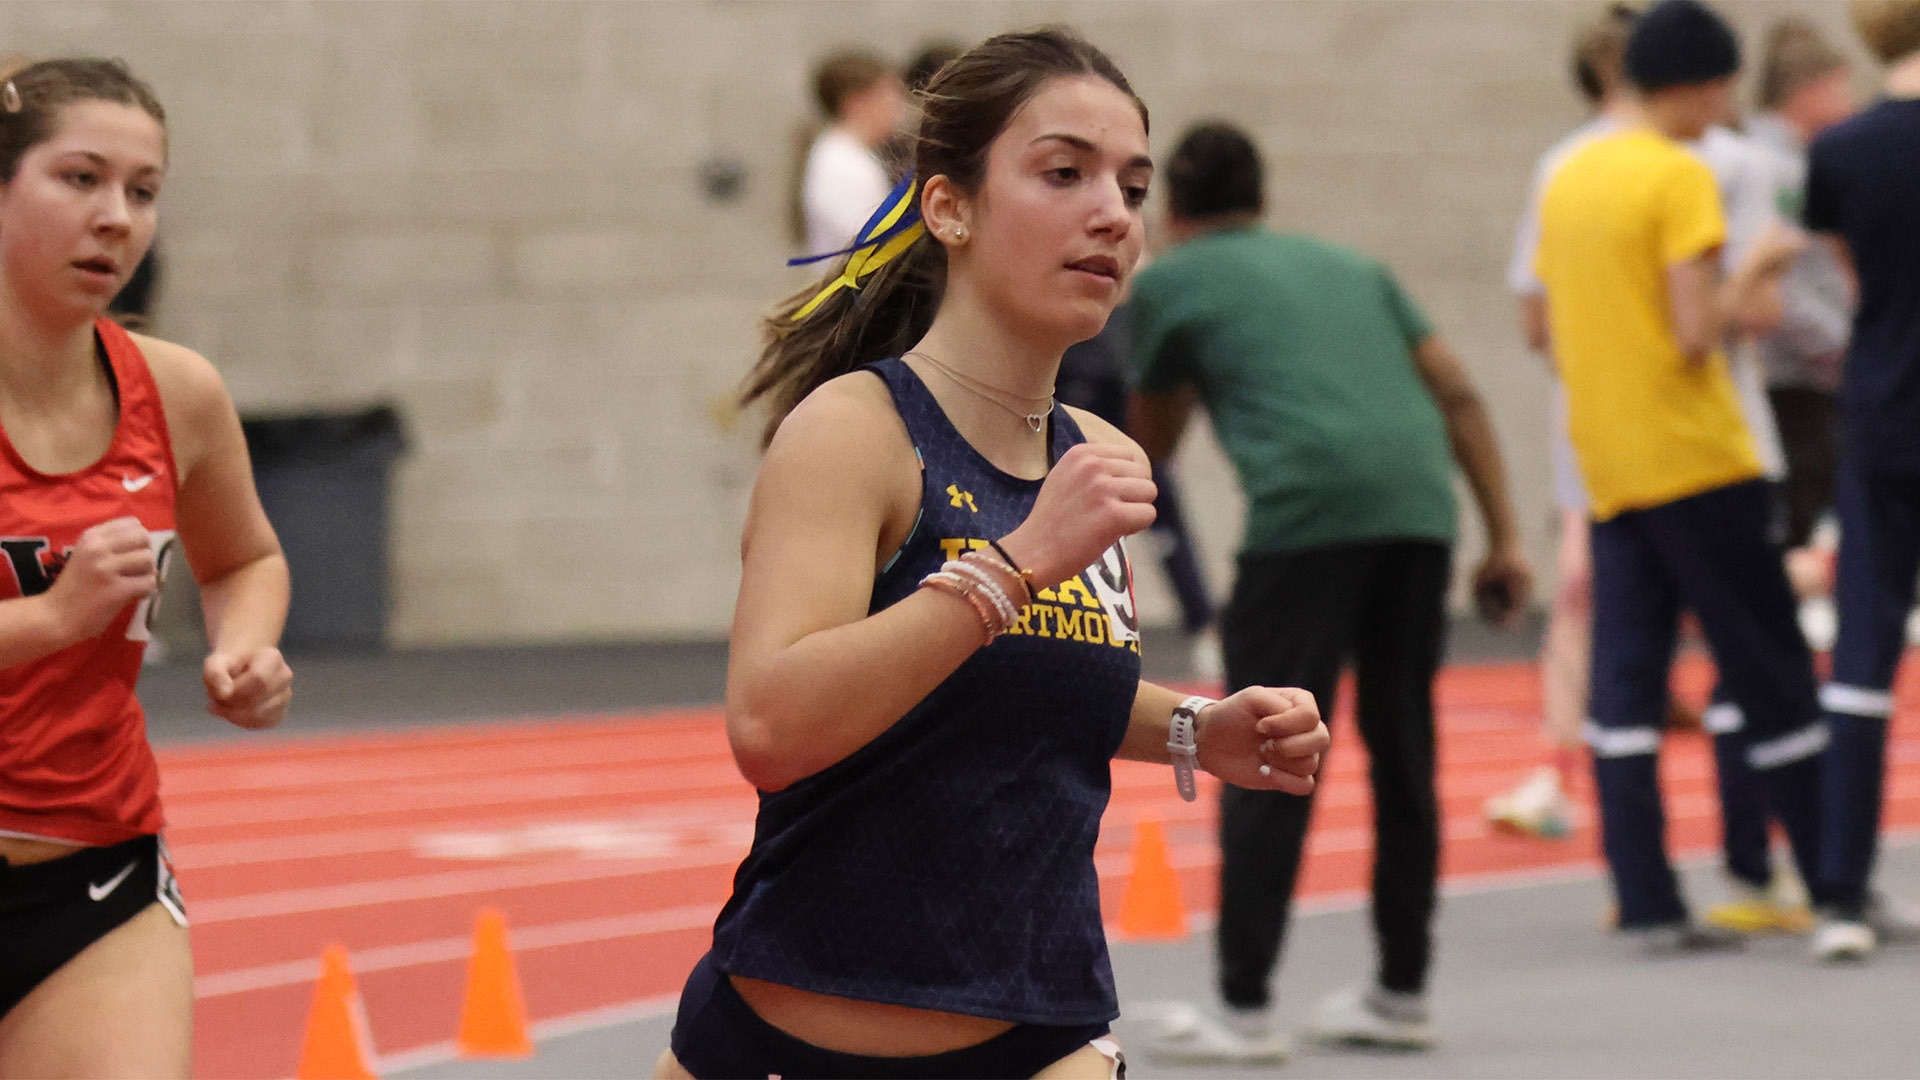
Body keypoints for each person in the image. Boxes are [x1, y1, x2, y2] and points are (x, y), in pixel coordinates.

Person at [656, 29, 1330, 1080]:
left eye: (1133, 184)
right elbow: (773, 724)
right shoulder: (858, 431)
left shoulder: (1099, 453)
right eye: (1063, 173)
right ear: (949, 206)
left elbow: (1031, 687)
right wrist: (1011, 568)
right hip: (809, 1033)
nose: (1112, 211)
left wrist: (1200, 730)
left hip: (1040, 1022)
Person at [1127, 121, 1531, 1062]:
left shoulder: (1169, 284)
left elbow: (1145, 453)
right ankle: (1400, 994)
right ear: (1261, 197)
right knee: (1404, 751)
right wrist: (1505, 537)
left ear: (1172, 208)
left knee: (1265, 743)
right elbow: (1461, 394)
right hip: (1420, 514)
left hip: (1306, 521)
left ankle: (1243, 1008)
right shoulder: (1357, 268)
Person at [0, 58, 293, 1074]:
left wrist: (245, 651)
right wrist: (49, 619)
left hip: (92, 876)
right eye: (78, 179)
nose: (115, 217)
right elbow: (61, 617)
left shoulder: (176, 391)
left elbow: (245, 557)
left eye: (142, 190)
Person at [1533, 0, 1831, 955]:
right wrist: (1763, 269)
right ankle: (1834, 882)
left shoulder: (1568, 180)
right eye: (1725, 86)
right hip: (1701, 459)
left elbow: (1545, 328)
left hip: (1610, 466)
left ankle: (1648, 895)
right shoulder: (1681, 176)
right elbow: (1698, 332)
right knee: (1770, 671)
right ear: (1700, 83)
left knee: (1626, 689)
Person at [1487, 2, 1641, 843]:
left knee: (1615, 589)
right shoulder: (1570, 168)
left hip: (1660, 417)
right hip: (1599, 415)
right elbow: (1536, 320)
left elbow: (1536, 321)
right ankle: (1562, 768)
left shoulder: (1690, 158)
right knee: (1588, 588)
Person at [1799, 0, 1920, 960]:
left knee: (1862, 663)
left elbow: (1854, 276)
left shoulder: (1838, 151)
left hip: (1882, 411)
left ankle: (1839, 897)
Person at [791, 49, 907, 258]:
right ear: (856, 103)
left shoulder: (849, 156)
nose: (898, 107)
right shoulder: (842, 164)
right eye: (888, 95)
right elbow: (870, 245)